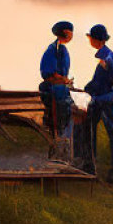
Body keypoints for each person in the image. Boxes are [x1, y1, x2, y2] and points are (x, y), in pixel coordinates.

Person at [84, 23, 113, 183]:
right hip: (102, 98)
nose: (90, 41)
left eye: (91, 38)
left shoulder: (106, 58)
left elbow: (104, 81)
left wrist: (89, 89)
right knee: (94, 130)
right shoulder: (106, 56)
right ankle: (93, 166)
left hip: (105, 100)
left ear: (96, 40)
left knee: (112, 134)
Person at [39, 21, 75, 154]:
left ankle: (66, 141)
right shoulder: (53, 50)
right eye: (69, 32)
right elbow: (48, 73)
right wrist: (62, 79)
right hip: (53, 87)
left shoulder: (63, 49)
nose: (71, 35)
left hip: (62, 86)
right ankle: (60, 139)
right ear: (63, 33)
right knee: (61, 110)